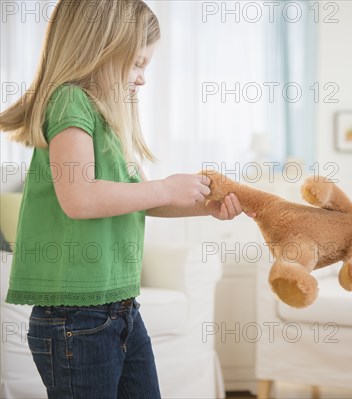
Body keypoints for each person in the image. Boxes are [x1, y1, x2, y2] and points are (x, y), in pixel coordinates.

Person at [0, 1, 248, 398]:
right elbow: (79, 197)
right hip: (75, 318)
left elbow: (138, 198)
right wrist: (166, 186)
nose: (142, 78)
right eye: (136, 64)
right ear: (97, 50)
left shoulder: (108, 121)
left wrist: (202, 205)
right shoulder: (69, 101)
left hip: (120, 309)